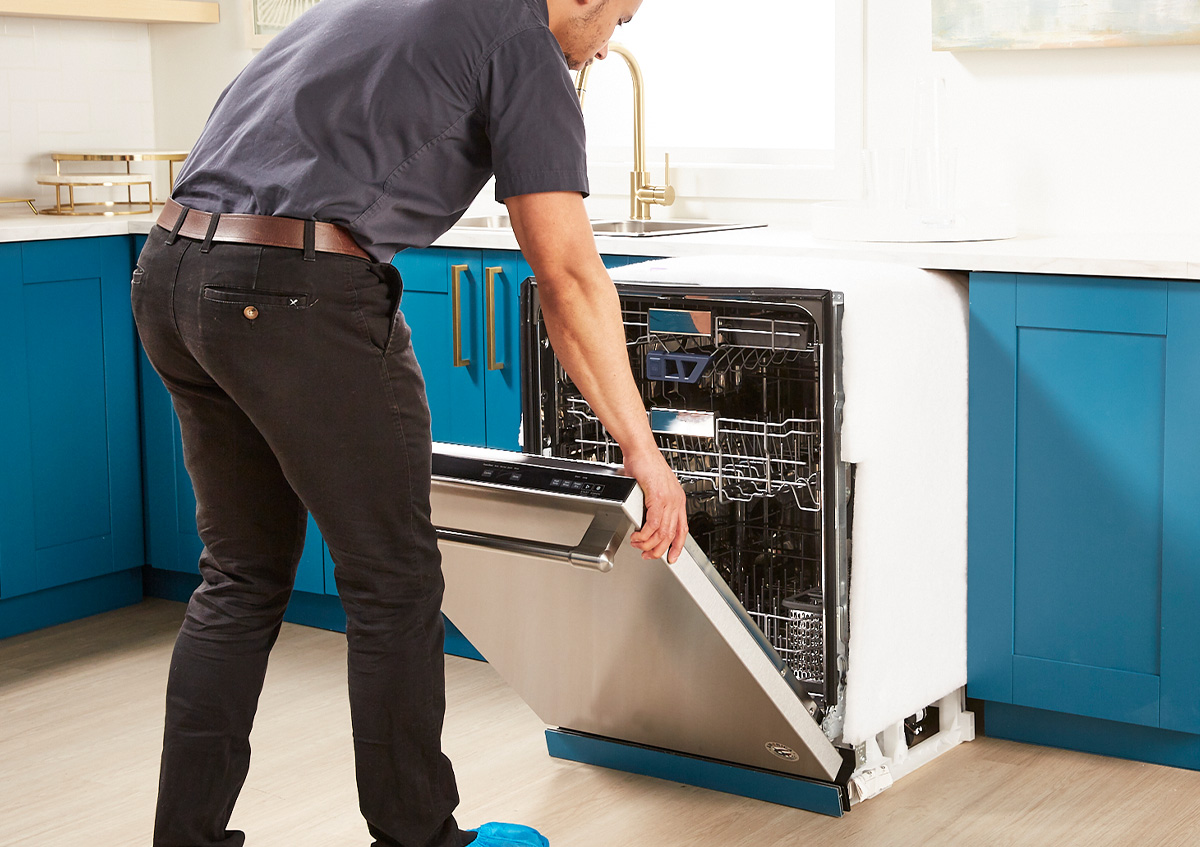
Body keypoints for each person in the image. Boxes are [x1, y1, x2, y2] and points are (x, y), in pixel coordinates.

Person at [131, 0, 688, 845]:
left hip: (170, 274)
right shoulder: (523, 44)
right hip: (293, 291)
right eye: (620, 18)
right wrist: (644, 452)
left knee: (240, 576)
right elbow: (569, 277)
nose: (611, 48)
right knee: (393, 579)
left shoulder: (369, 7)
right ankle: (418, 837)